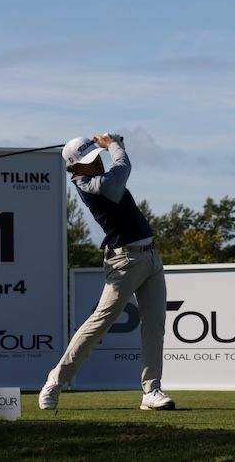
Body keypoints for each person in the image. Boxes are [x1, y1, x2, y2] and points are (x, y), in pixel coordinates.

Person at [39, 133, 175, 411]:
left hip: (151, 257)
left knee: (154, 325)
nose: (97, 162)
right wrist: (113, 145)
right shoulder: (89, 185)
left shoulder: (98, 176)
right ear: (75, 167)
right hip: (124, 262)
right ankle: (55, 380)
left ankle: (151, 391)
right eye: (90, 160)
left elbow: (117, 167)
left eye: (97, 157)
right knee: (100, 322)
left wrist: (109, 145)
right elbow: (122, 169)